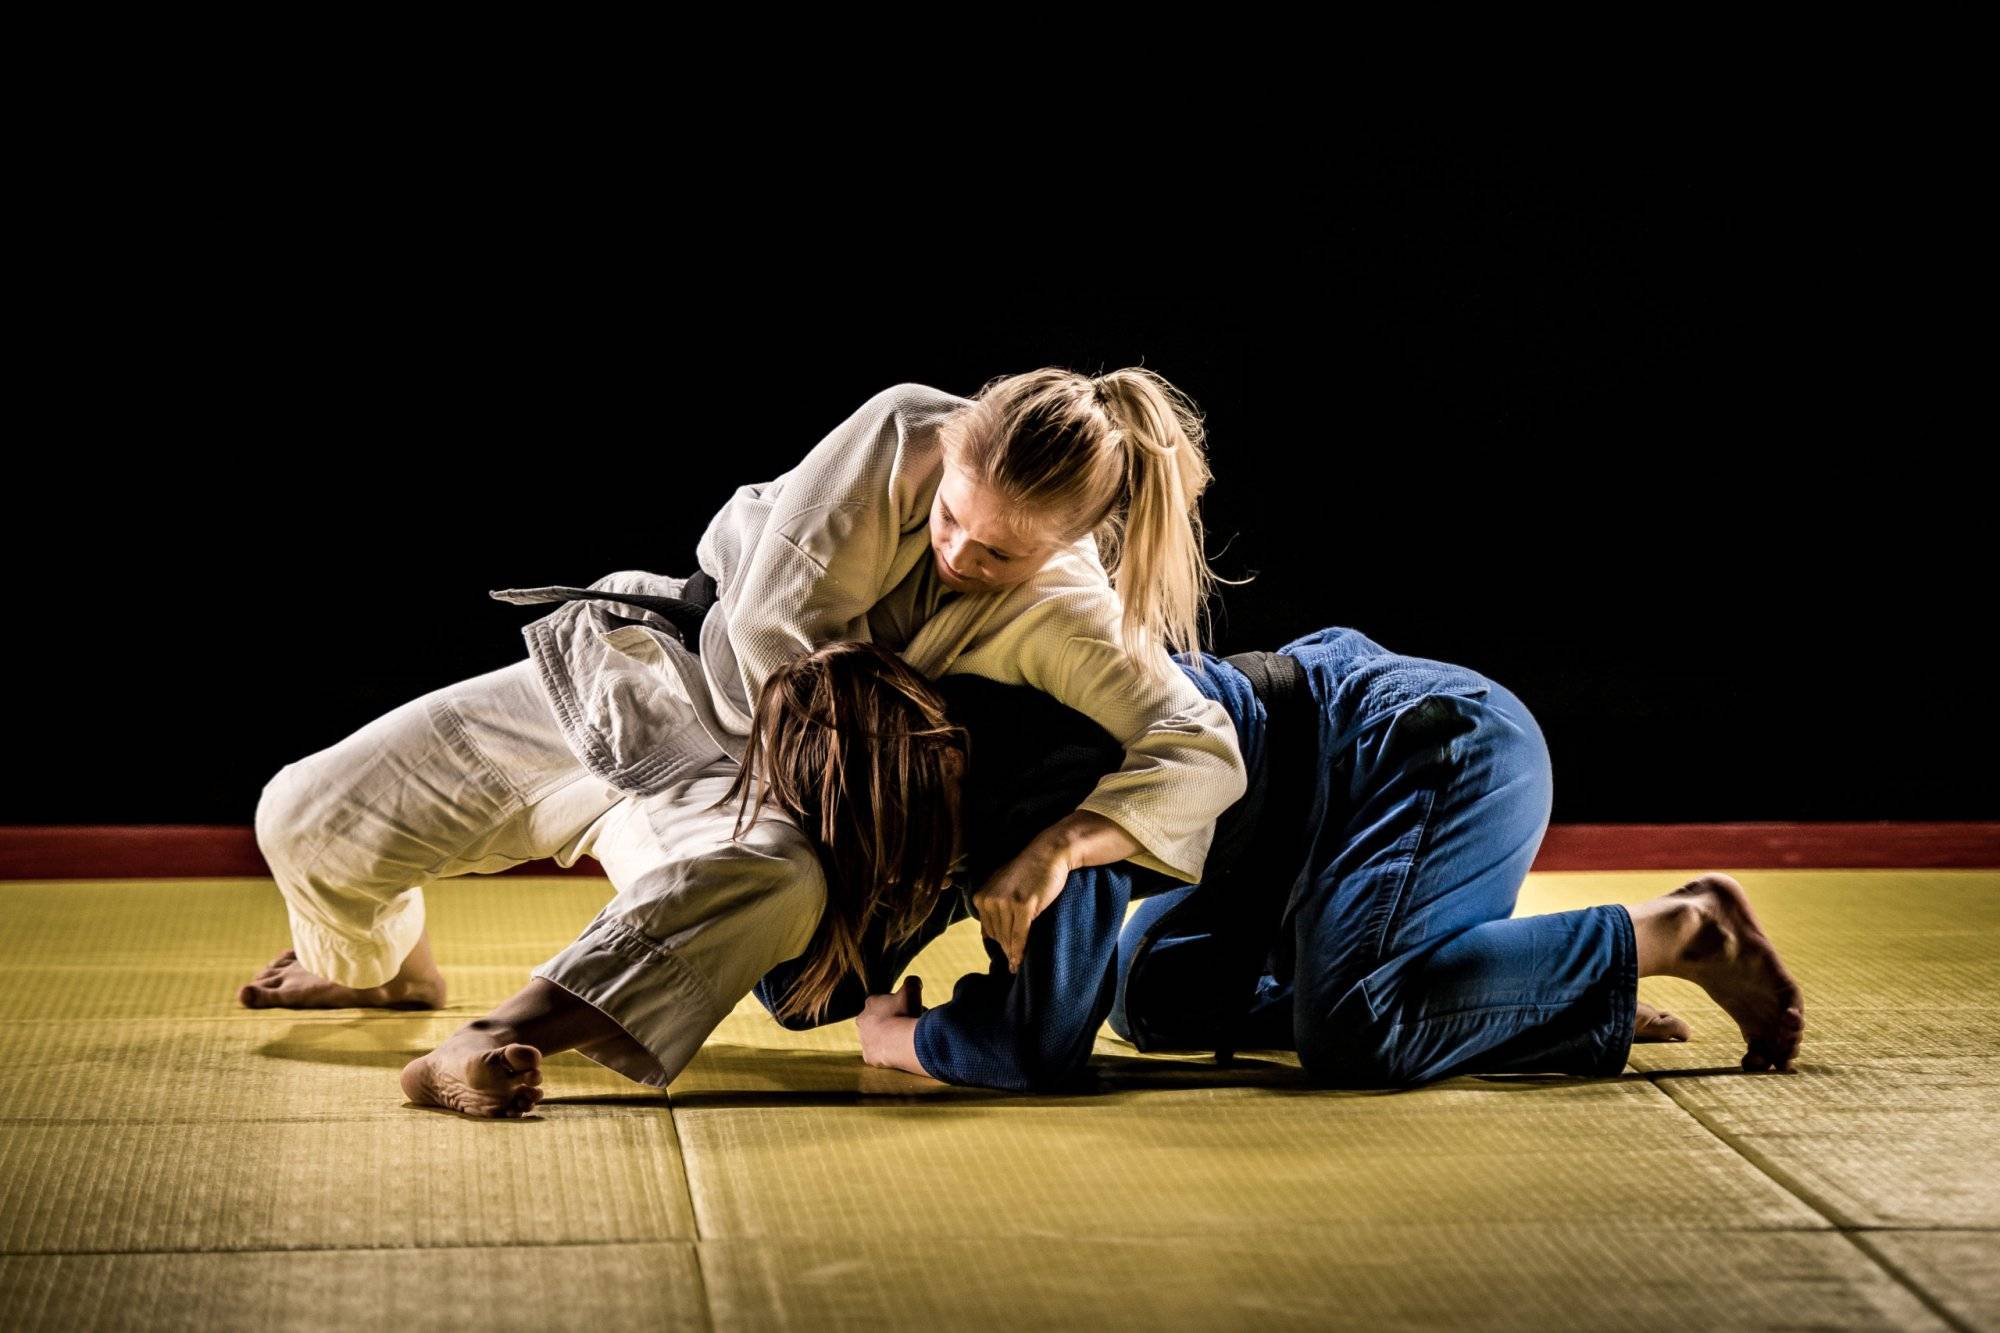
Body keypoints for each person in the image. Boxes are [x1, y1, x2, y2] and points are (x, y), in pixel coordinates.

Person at [241, 369, 1250, 1114]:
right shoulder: (903, 428)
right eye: (948, 516)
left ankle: (499, 1033)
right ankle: (374, 961)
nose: (955, 551)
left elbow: (1199, 744)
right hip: (640, 687)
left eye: (997, 552)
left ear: (1067, 542)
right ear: (950, 453)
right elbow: (773, 627)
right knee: (299, 815)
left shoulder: (1068, 610)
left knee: (780, 889)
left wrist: (1059, 846)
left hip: (750, 789)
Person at [752, 628, 1807, 1093]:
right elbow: (798, 992)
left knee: (1350, 1032)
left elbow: (1039, 1046)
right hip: (1301, 845)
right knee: (1155, 1001)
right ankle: (1504, 992)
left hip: (1426, 751)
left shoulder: (1043, 769)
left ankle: (1677, 929)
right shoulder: (931, 766)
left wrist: (900, 1041)